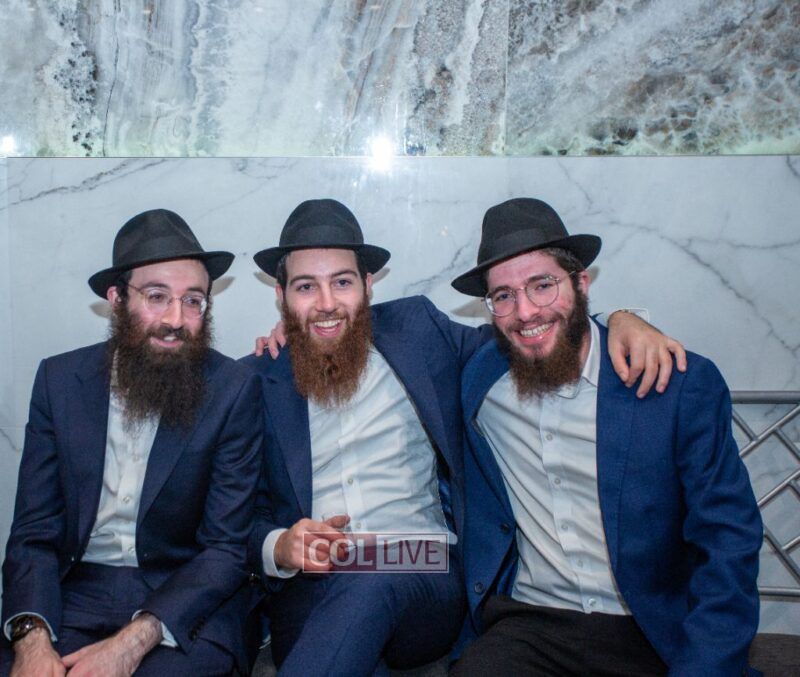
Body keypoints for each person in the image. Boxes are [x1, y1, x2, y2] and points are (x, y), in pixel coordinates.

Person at [242, 198, 686, 676]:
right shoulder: (254, 383)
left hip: (419, 569)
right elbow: (232, 520)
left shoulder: (418, 332)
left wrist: (620, 319)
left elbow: (531, 332)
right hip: (312, 588)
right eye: (306, 287)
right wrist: (278, 546)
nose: (327, 303)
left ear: (368, 286)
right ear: (282, 296)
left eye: (342, 282)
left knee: (371, 578)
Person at [450, 198, 763, 676]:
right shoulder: (481, 377)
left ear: (581, 283)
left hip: (652, 628)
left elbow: (728, 541)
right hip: (534, 624)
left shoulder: (676, 385)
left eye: (543, 285)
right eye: (504, 296)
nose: (525, 311)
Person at [1, 209, 263, 677]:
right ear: (117, 299)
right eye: (157, 297)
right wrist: (32, 638)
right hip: (72, 594)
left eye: (193, 301)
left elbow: (225, 548)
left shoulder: (232, 390)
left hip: (184, 601)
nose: (176, 319)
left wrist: (131, 643)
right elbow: (34, 532)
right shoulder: (60, 382)